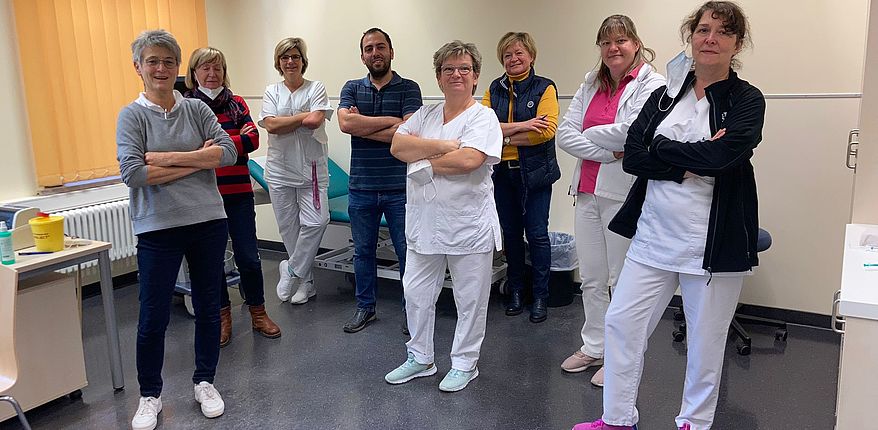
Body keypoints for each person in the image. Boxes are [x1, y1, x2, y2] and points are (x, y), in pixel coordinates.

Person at [573, 2, 765, 429]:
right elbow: (634, 156)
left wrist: (661, 148)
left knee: (705, 343)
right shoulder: (664, 97)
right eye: (703, 29)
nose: (711, 38)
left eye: (723, 32)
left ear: (737, 44)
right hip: (653, 237)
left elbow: (724, 156)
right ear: (690, 37)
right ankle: (617, 418)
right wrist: (685, 160)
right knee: (622, 324)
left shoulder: (746, 99)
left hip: (711, 244)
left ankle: (693, 423)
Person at [117, 30, 238, 430]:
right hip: (158, 228)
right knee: (153, 316)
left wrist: (164, 158)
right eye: (152, 61)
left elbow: (228, 152)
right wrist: (198, 160)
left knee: (208, 306)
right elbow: (134, 174)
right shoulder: (131, 116)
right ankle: (150, 395)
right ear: (138, 67)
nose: (161, 68)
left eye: (168, 62)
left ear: (177, 68)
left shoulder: (197, 109)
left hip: (208, 222)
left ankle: (205, 382)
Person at [384, 40, 502, 393]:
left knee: (470, 299)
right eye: (448, 69)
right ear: (438, 77)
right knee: (416, 293)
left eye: (464, 68)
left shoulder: (483, 117)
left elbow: (469, 160)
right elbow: (397, 146)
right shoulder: (425, 115)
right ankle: (421, 357)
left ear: (475, 76)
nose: (456, 74)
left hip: (467, 225)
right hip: (424, 224)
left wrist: (421, 161)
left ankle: (465, 363)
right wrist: (442, 146)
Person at [556, 15, 665, 388]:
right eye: (606, 42)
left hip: (622, 194)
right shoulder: (591, 81)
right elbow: (564, 134)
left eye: (620, 40)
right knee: (591, 278)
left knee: (622, 281)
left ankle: (621, 358)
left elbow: (633, 134)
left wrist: (590, 134)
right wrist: (606, 152)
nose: (613, 48)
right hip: (586, 190)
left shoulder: (653, 84)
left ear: (635, 43)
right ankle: (594, 346)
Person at [183, 47, 281, 347]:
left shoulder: (236, 103)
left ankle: (258, 312)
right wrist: (223, 147)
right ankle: (222, 317)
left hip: (238, 194)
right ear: (194, 73)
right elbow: (186, 148)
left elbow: (253, 139)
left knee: (249, 258)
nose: (212, 74)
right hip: (204, 198)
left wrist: (213, 148)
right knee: (212, 262)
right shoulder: (185, 106)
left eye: (218, 68)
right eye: (205, 68)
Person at [337, 28, 423, 334]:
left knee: (407, 253)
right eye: (369, 48)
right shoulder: (351, 87)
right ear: (362, 56)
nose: (375, 53)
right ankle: (366, 308)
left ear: (391, 52)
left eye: (381, 47)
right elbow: (345, 123)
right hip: (361, 187)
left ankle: (412, 312)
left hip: (400, 188)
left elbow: (410, 132)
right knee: (363, 252)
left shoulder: (409, 88)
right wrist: (392, 122)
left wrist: (363, 125)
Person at [481, 32, 560, 323]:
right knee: (511, 235)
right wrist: (524, 125)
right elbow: (483, 128)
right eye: (507, 55)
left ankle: (540, 296)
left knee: (537, 235)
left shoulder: (544, 87)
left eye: (519, 53)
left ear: (531, 56)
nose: (513, 59)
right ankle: (516, 290)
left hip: (536, 175)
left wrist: (503, 136)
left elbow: (545, 132)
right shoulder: (494, 88)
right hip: (503, 174)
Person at [259, 37, 334, 305]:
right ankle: (306, 283)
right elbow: (271, 126)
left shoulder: (316, 88)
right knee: (289, 228)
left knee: (317, 221)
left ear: (303, 60)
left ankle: (291, 270)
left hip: (311, 169)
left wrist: (288, 121)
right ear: (278, 62)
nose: (290, 61)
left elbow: (315, 121)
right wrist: (302, 116)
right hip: (279, 170)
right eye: (285, 57)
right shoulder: (272, 92)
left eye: (295, 56)